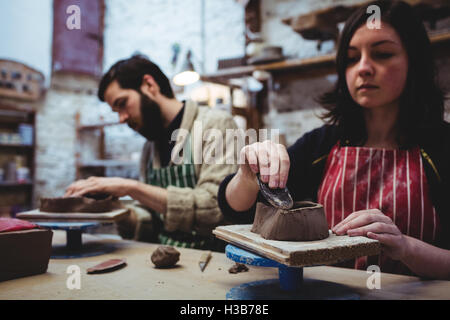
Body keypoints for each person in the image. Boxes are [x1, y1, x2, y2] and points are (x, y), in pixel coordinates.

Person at [218, 0, 450, 279]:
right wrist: (247, 175)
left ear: (414, 61)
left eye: (383, 54)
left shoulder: (441, 147)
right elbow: (235, 209)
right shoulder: (321, 146)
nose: (363, 68)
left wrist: (406, 247)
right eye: (352, 58)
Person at [65, 55, 238, 251]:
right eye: (116, 111)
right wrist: (111, 209)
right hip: (164, 262)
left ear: (149, 85)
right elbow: (151, 222)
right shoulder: (150, 146)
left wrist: (132, 188)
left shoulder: (215, 125)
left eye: (122, 103)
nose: (121, 118)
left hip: (213, 260)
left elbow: (215, 210)